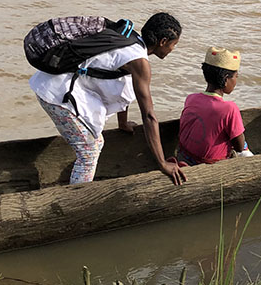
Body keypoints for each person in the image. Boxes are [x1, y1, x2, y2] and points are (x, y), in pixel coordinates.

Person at [29, 12, 187, 185]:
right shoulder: (140, 62)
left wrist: (123, 124)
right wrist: (163, 163)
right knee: (90, 150)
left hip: (49, 85)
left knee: (95, 143)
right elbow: (149, 115)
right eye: (174, 44)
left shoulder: (129, 40)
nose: (173, 49)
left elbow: (123, 84)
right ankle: (77, 201)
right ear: (163, 42)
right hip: (55, 95)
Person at [177, 46, 253, 165]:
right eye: (235, 77)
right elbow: (238, 146)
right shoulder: (230, 108)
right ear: (226, 79)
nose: (236, 82)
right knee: (244, 150)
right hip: (209, 165)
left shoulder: (191, 98)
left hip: (183, 156)